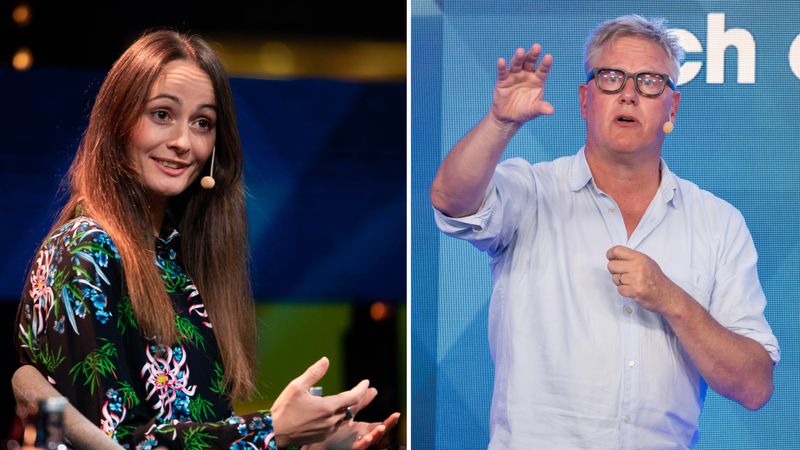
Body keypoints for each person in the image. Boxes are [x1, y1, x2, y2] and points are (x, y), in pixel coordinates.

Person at [15, 29, 399, 450]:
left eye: (202, 123)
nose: (182, 142)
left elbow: (197, 432)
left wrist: (314, 443)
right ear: (117, 121)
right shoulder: (82, 251)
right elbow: (118, 442)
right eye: (162, 114)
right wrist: (272, 431)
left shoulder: (178, 259)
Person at [430, 15, 779, 449]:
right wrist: (501, 123)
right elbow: (450, 201)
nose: (629, 94)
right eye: (611, 78)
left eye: (650, 81)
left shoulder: (718, 223)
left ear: (672, 108)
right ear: (584, 99)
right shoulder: (531, 191)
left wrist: (671, 298)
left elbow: (754, 386)